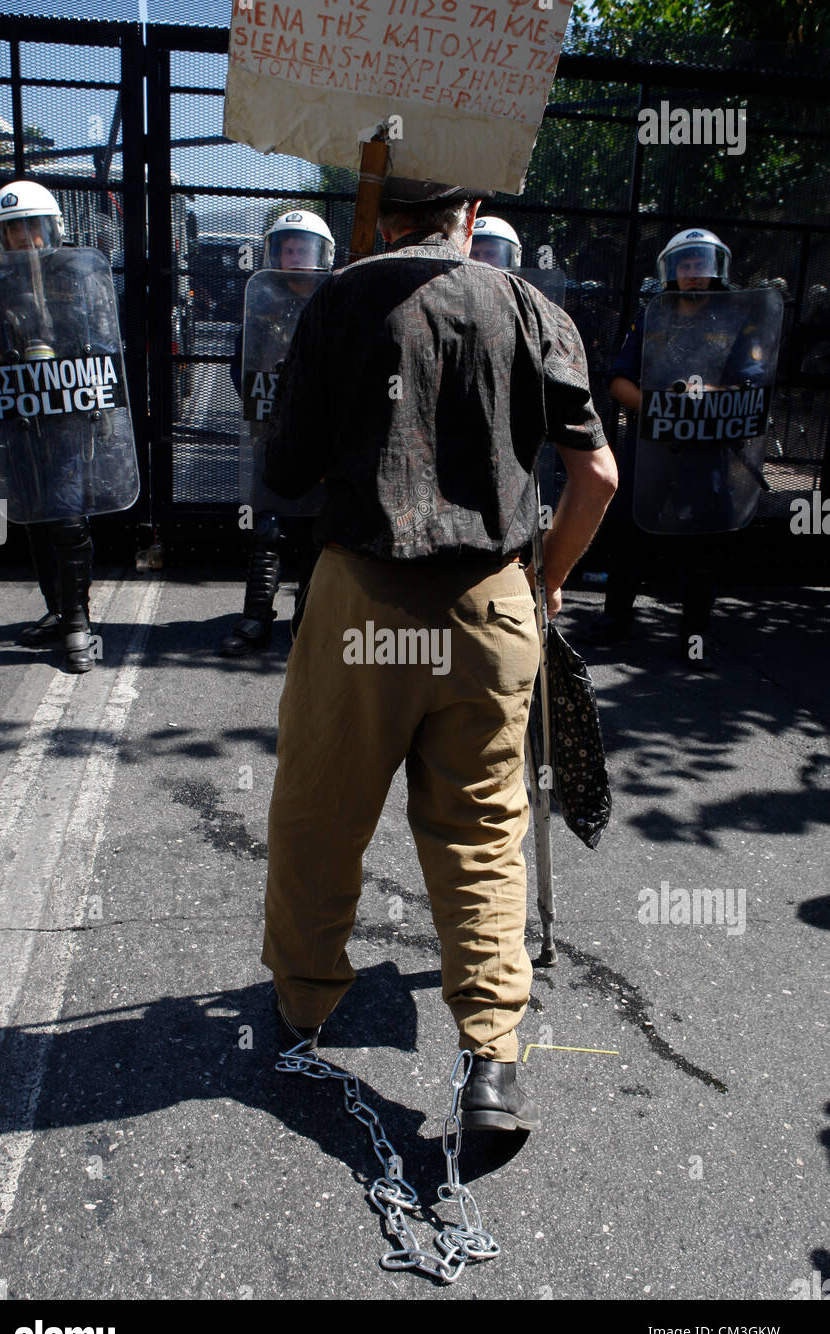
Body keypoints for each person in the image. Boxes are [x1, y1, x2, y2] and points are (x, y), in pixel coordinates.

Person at [260, 178, 617, 1132]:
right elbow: (598, 476)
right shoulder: (534, 310)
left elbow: (284, 474)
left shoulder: (340, 298)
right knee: (483, 830)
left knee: (320, 813)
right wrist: (544, 587)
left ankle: (300, 1006)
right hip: (494, 604)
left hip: (364, 608)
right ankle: (491, 1062)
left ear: (376, 211)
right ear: (468, 218)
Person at [0, 180, 132, 674]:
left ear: (51, 228)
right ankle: (59, 610)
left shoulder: (79, 281)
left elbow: (105, 349)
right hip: (18, 421)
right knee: (34, 515)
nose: (23, 237)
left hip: (69, 417)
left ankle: (78, 621)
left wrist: (105, 410)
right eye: (12, 228)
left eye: (31, 226)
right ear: (1, 236)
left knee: (65, 516)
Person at [591, 228, 767, 664]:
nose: (692, 274)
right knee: (629, 533)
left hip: (708, 448)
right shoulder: (651, 317)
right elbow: (618, 381)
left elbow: (750, 383)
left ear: (717, 269)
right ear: (672, 270)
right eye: (685, 265)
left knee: (701, 543)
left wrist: (705, 395)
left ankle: (695, 636)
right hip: (652, 446)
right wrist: (660, 405)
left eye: (700, 265)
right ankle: (615, 619)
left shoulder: (736, 321)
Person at [219, 209, 335, 656]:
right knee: (268, 526)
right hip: (272, 433)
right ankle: (255, 617)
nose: (294, 255)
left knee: (316, 530)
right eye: (287, 247)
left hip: (322, 440)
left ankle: (308, 619)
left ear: (321, 253)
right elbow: (242, 364)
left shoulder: (336, 301)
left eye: (302, 247)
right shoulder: (261, 303)